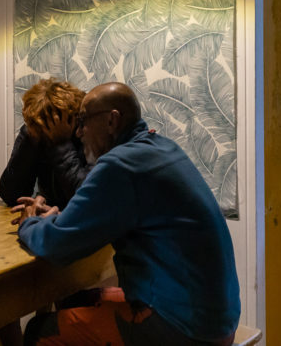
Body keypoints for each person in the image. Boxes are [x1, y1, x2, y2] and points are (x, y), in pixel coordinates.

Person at [13, 82, 240, 346]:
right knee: (74, 300)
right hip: (215, 320)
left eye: (83, 121)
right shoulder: (162, 148)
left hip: (186, 330)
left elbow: (56, 244)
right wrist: (55, 221)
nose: (79, 131)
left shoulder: (120, 166)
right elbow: (78, 222)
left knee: (39, 330)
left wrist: (29, 222)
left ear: (112, 120)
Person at [0, 78, 90, 209]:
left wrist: (61, 143)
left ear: (72, 118)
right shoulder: (35, 131)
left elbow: (86, 199)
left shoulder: (88, 134)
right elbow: (11, 196)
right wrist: (30, 142)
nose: (48, 132)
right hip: (46, 213)